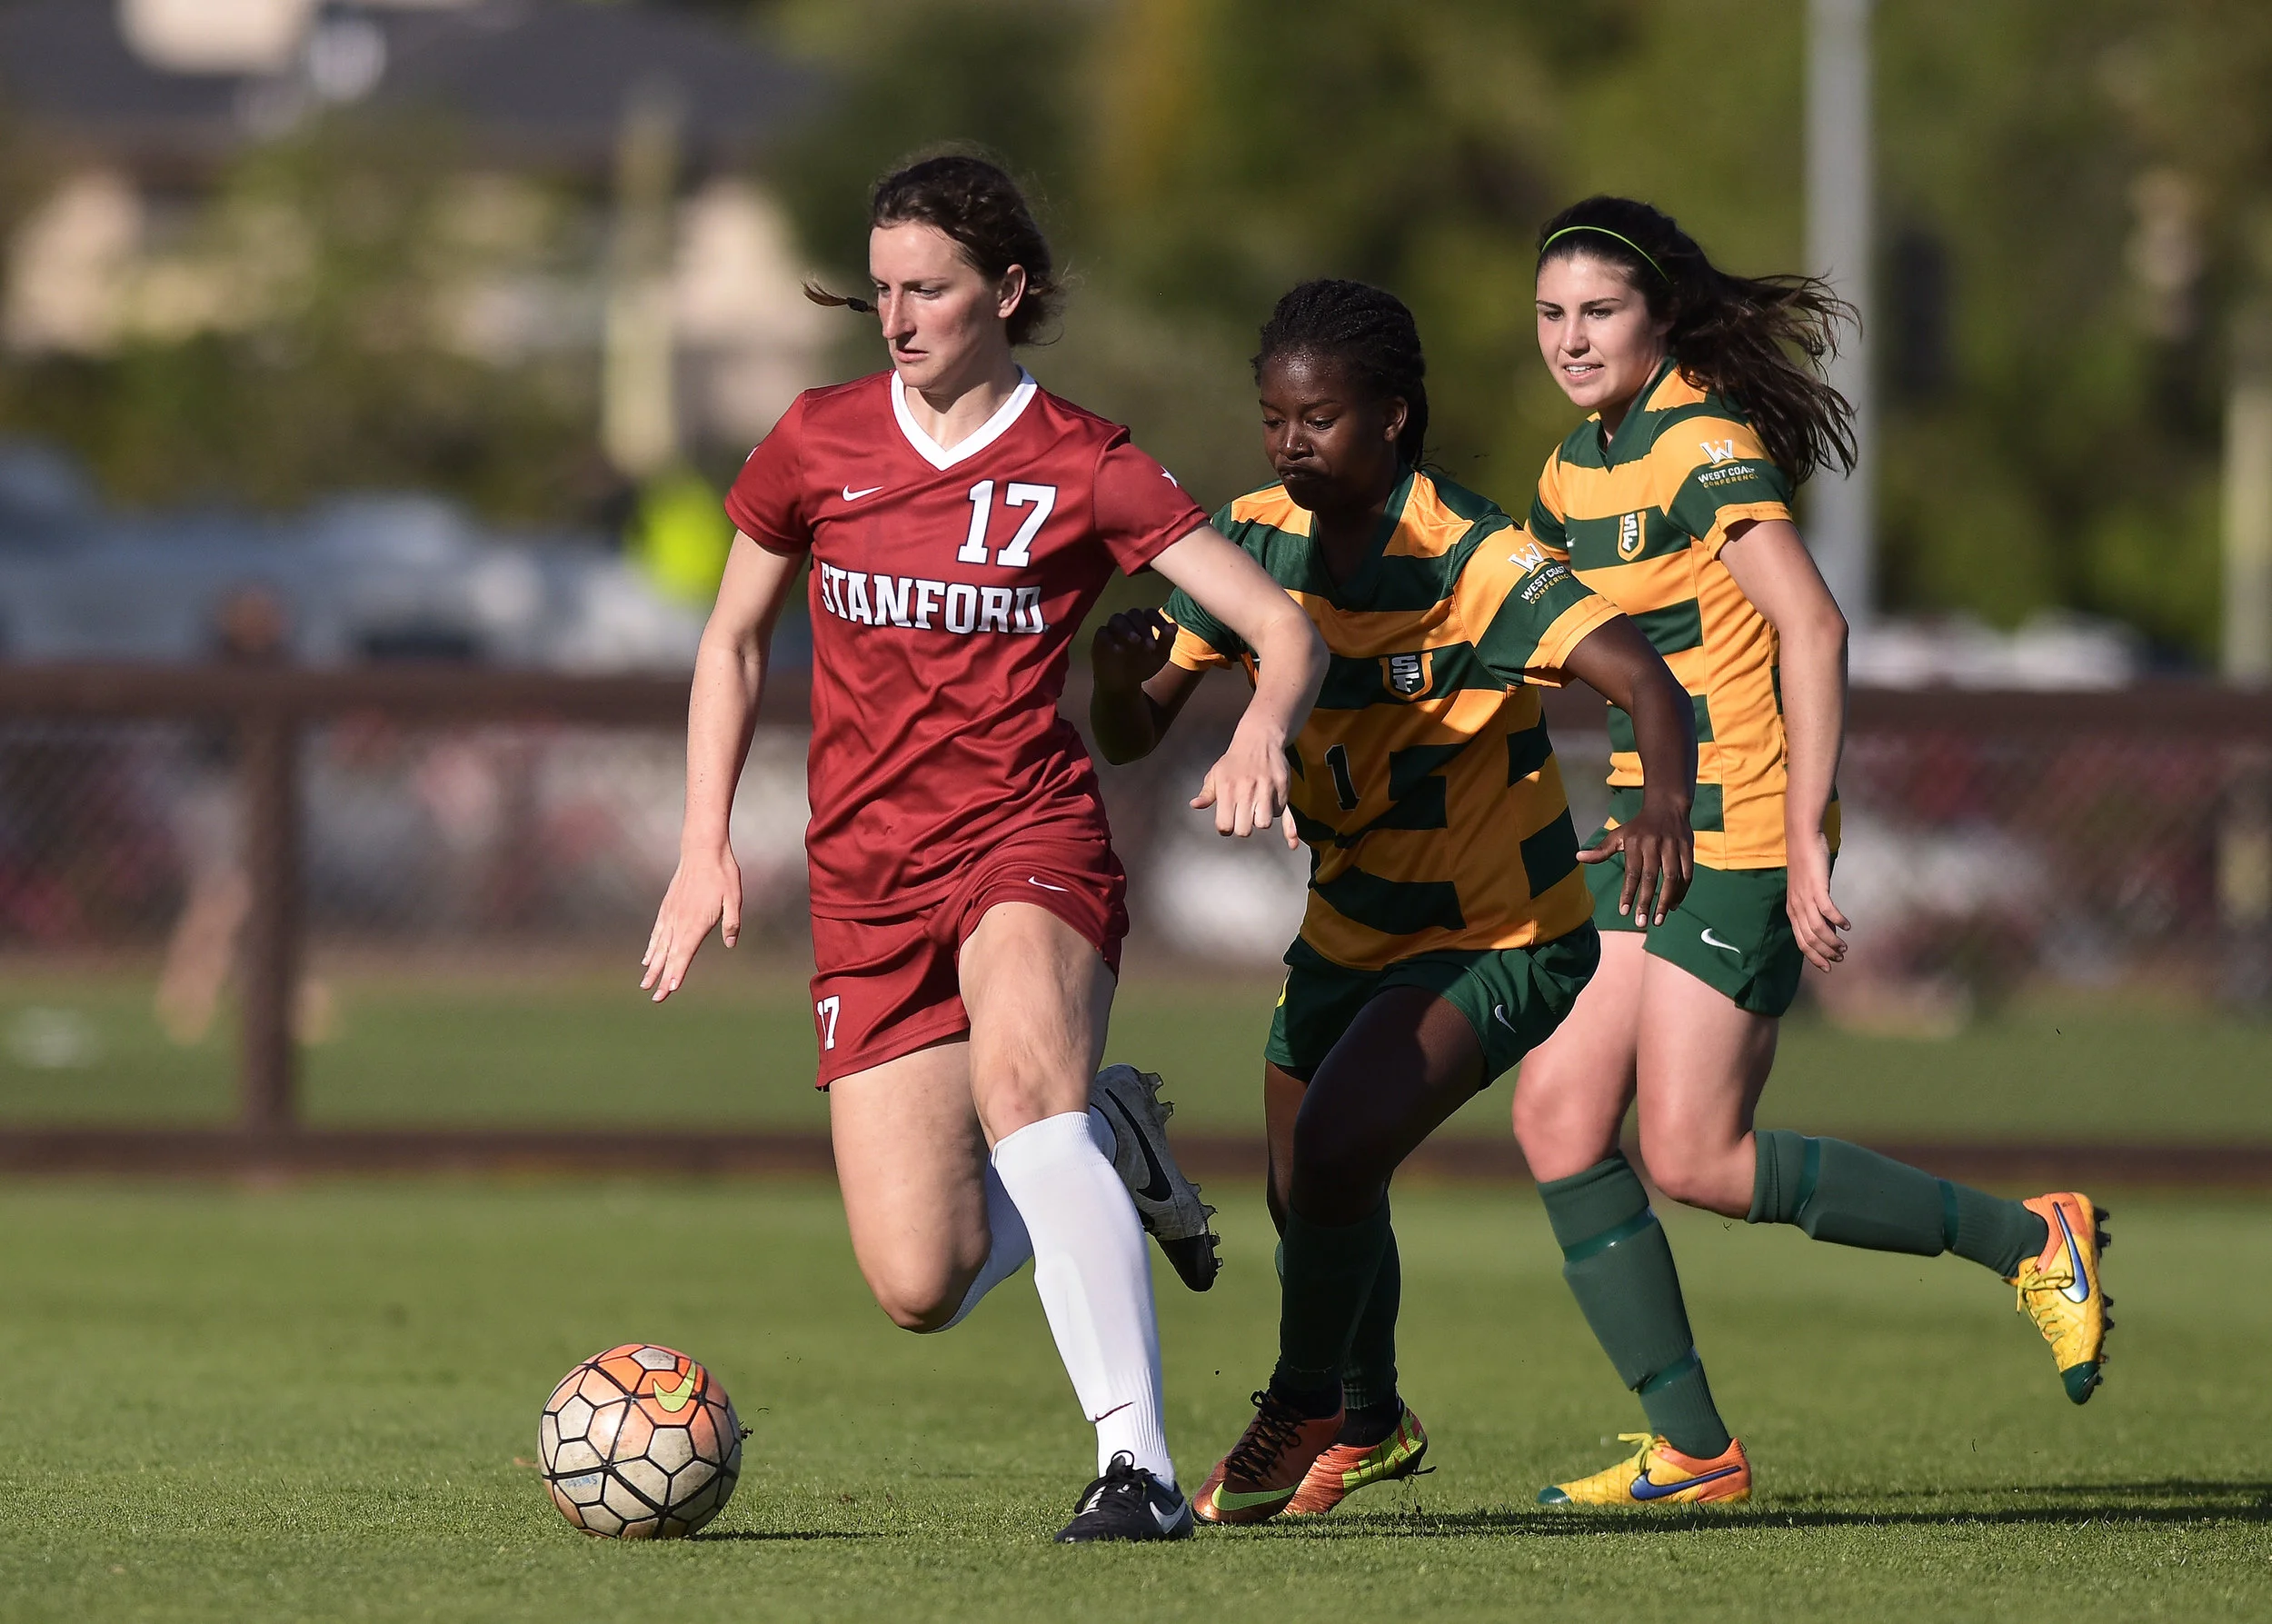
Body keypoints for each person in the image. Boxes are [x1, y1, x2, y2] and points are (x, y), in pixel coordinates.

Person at [640, 154, 1328, 1543]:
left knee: (1025, 1089)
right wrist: (700, 841)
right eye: (882, 288)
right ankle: (1113, 1139)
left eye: (930, 290)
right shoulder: (814, 440)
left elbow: (1283, 626)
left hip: (1028, 840)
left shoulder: (1087, 460)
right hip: (864, 882)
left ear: (1004, 292)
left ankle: (1135, 1465)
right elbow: (728, 639)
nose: (897, 317)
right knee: (920, 1280)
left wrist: (1262, 729)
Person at [1510, 196, 2112, 1509]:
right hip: (1643, 825)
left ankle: (2031, 1238)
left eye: (1599, 310)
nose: (1571, 336)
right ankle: (1694, 1448)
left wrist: (1802, 845)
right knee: (1557, 1116)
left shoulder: (1702, 443)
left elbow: (1817, 629)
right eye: (1552, 312)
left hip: (1739, 826)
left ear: (1659, 315)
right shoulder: (1572, 469)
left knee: (1695, 1157)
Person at [1091, 279, 1699, 1524]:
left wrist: (1665, 807)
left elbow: (1644, 678)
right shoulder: (1250, 538)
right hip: (1348, 927)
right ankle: (1371, 1415)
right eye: (1273, 417)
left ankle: (1301, 1400)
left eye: (1318, 417)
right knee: (1302, 1186)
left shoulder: (1471, 557)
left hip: (1502, 932)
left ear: (1395, 418)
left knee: (1335, 1148)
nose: (1289, 442)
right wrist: (1115, 675)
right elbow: (1131, 731)